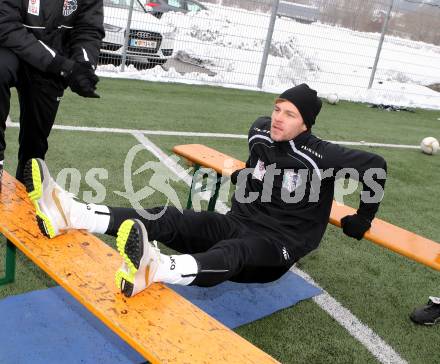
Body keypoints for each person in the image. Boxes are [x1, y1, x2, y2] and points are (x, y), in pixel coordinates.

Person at [23, 83, 387, 298]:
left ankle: (158, 269)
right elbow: (257, 166)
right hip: (241, 221)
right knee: (169, 217)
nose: (277, 117)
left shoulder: (320, 155)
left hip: (277, 246)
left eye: (289, 114)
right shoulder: (261, 131)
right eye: (277, 108)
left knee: (235, 250)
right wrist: (250, 179)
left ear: (305, 123)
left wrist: (363, 217)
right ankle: (73, 214)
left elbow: (376, 166)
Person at [0, 0, 104, 181]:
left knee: (34, 148)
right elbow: (6, 25)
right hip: (13, 51)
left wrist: (84, 65)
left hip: (50, 66)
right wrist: (62, 66)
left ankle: (28, 185)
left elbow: (88, 28)